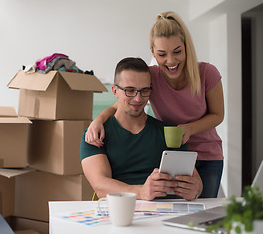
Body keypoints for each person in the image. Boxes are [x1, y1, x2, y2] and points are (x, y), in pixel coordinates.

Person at [85, 11, 224, 198]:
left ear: (186, 47)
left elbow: (218, 115)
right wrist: (98, 120)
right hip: (172, 152)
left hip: (206, 154)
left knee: (203, 210)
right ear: (152, 52)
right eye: (162, 54)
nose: (171, 61)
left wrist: (189, 129)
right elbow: (123, 102)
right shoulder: (150, 78)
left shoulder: (207, 72)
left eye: (177, 52)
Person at [80, 57, 202, 201]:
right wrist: (141, 191)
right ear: (115, 91)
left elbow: (196, 181)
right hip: (121, 212)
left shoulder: (170, 133)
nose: (138, 99)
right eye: (130, 90)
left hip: (168, 213)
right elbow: (100, 186)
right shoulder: (96, 135)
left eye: (144, 91)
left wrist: (196, 189)